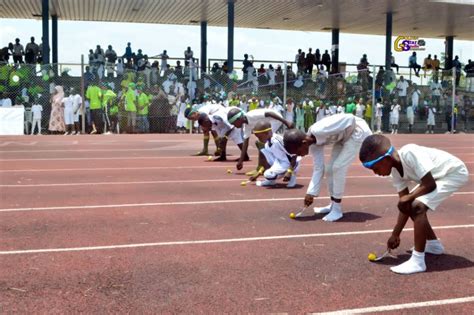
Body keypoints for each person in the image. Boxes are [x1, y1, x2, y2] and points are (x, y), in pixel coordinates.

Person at [358, 135, 468, 274]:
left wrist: (409, 197)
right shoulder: (396, 173)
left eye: (376, 168)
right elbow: (404, 206)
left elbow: (429, 184)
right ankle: (433, 245)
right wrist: (395, 234)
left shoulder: (410, 153)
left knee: (417, 206)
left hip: (453, 173)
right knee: (411, 205)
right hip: (435, 177)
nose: (376, 173)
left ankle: (418, 261)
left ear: (386, 159)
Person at [283, 113, 372, 222]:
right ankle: (333, 204)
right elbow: (318, 168)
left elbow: (349, 118)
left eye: (297, 152)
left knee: (338, 167)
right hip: (343, 138)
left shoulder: (320, 129)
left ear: (304, 143)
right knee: (329, 170)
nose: (300, 155)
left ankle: (337, 210)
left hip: (357, 132)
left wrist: (346, 134)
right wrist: (310, 193)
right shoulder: (313, 145)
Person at [227, 107, 293, 174]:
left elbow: (269, 113)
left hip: (275, 120)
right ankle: (264, 166)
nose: (234, 126)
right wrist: (241, 161)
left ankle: (266, 166)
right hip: (267, 123)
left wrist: (285, 122)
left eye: (234, 123)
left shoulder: (251, 115)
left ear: (238, 119)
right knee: (261, 143)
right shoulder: (247, 126)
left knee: (262, 142)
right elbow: (245, 143)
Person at [249, 121, 300, 188]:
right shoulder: (267, 144)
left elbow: (294, 154)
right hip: (280, 163)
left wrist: (289, 171)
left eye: (260, 137)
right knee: (264, 151)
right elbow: (269, 161)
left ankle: (292, 176)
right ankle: (271, 181)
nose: (259, 139)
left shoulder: (278, 140)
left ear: (267, 133)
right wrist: (259, 173)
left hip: (291, 163)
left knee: (268, 174)